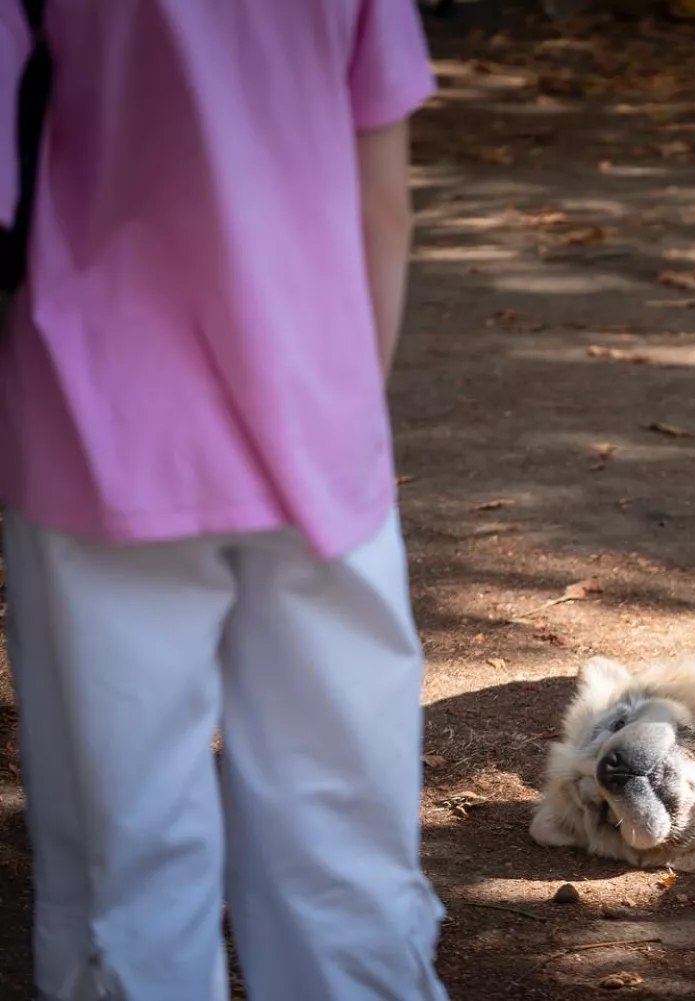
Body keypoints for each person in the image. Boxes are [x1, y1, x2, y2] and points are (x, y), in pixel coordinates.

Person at [0, 3, 448, 999]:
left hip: (95, 428)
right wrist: (342, 410)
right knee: (347, 837)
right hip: (316, 427)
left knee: (128, 850)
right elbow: (384, 195)